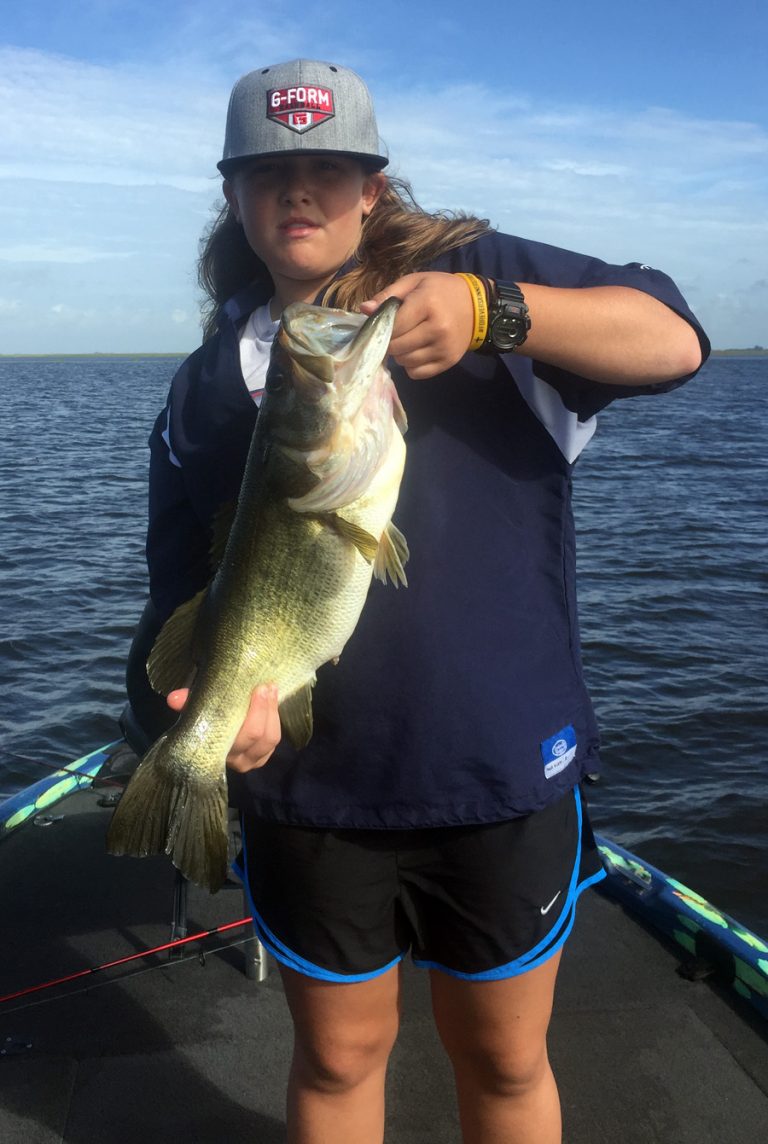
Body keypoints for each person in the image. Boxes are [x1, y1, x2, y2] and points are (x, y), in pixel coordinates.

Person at [123, 59, 708, 1144]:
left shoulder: (475, 277)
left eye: (328, 169)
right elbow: (178, 586)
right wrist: (191, 708)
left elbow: (675, 340)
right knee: (337, 1058)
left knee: (505, 1056)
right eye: (269, 174)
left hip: (495, 770)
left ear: (374, 190)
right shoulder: (206, 385)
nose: (299, 191)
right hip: (311, 789)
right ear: (235, 197)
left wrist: (495, 312)